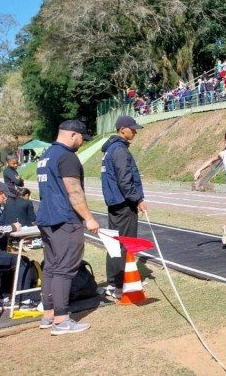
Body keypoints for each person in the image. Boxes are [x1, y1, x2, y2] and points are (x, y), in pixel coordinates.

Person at [37, 119, 99, 335]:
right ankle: (62, 320)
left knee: (51, 268)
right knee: (64, 269)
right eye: (82, 138)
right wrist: (89, 218)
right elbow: (74, 191)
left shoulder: (46, 155)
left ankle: (49, 315)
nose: (82, 143)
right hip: (64, 219)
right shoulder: (67, 156)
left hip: (46, 218)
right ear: (73, 135)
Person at [100, 115, 147, 300]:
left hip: (115, 204)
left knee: (114, 244)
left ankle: (114, 283)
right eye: (132, 128)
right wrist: (137, 199)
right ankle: (120, 284)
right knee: (124, 244)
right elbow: (125, 180)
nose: (135, 131)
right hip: (124, 204)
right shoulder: (119, 151)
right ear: (122, 129)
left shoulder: (111, 149)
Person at [0, 182, 22, 303]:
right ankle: (23, 299)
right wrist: (12, 227)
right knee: (21, 262)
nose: (5, 198)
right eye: (3, 195)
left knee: (10, 260)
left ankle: (4, 295)